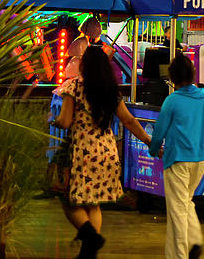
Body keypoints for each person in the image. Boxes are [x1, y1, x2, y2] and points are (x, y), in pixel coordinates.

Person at [56, 46, 152, 258]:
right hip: (107, 152)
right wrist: (148, 140)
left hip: (82, 151)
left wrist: (55, 120)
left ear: (85, 66)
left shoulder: (73, 87)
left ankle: (91, 236)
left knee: (69, 201)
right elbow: (129, 120)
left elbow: (64, 121)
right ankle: (89, 252)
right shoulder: (111, 91)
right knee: (94, 204)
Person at [149, 53, 204, 259]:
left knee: (176, 210)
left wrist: (153, 149)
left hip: (178, 160)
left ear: (173, 77)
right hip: (202, 159)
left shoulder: (172, 100)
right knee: (186, 202)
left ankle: (180, 255)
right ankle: (194, 242)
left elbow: (158, 132)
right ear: (193, 75)